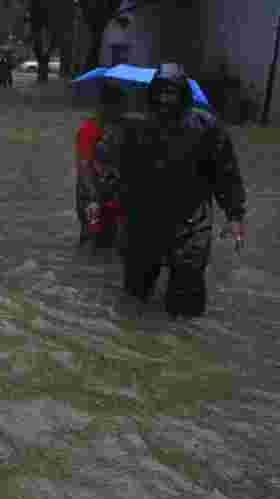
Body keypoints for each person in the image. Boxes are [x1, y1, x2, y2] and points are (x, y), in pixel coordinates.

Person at [95, 63, 247, 318]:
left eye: (172, 92)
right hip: (143, 218)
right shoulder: (135, 125)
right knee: (134, 296)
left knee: (186, 303)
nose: (166, 99)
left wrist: (234, 214)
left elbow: (226, 172)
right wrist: (110, 194)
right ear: (153, 93)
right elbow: (105, 160)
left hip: (191, 219)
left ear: (183, 95)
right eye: (161, 92)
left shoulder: (205, 126)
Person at [75, 79, 128, 248]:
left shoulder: (127, 128)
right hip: (95, 193)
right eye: (119, 106)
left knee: (116, 242)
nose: (121, 110)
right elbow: (84, 165)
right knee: (94, 239)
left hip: (118, 192)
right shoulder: (90, 129)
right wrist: (92, 198)